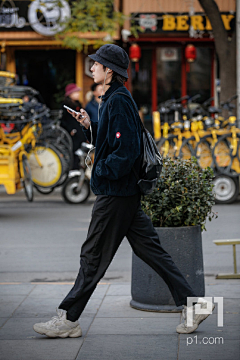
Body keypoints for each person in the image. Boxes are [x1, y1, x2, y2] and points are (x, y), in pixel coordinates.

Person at [33, 44, 214, 338]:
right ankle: (193, 304)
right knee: (152, 252)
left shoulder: (118, 100)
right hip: (124, 194)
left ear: (109, 71)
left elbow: (126, 151)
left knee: (92, 256)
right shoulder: (112, 100)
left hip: (116, 194)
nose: (92, 68)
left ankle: (67, 319)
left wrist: (99, 171)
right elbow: (113, 141)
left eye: (96, 64)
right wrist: (90, 127)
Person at [60, 83, 86, 169]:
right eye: (75, 92)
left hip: (80, 132)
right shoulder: (65, 106)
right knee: (73, 153)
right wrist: (71, 130)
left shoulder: (78, 104)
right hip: (71, 135)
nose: (78, 94)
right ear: (70, 94)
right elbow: (63, 121)